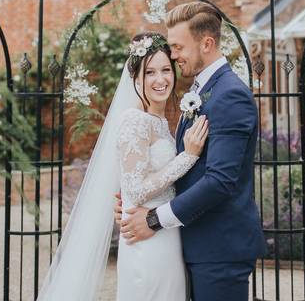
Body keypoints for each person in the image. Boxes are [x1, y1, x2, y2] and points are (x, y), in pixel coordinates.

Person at [36, 30, 209, 300]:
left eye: (166, 69)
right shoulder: (135, 121)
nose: (160, 79)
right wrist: (187, 157)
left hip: (165, 234)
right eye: (150, 72)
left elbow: (136, 186)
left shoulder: (161, 123)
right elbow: (136, 189)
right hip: (146, 241)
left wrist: (125, 202)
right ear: (135, 78)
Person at [118, 1, 264, 301]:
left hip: (219, 249)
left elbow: (221, 180)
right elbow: (180, 170)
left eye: (177, 47)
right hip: (192, 243)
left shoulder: (230, 95)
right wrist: (133, 200)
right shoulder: (201, 90)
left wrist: (154, 218)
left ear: (207, 43)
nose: (173, 56)